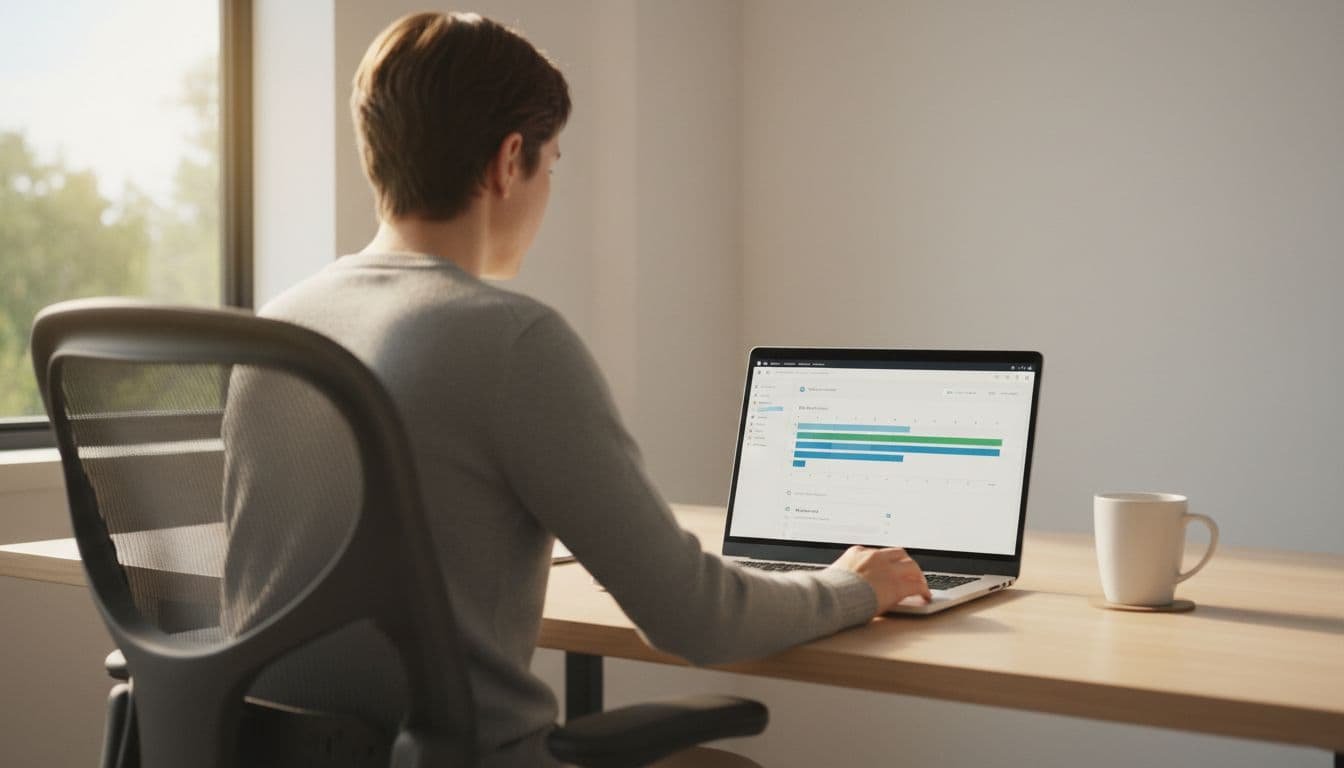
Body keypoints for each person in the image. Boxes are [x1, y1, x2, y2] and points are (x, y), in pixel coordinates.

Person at [222, 10, 930, 766]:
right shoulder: (510, 340)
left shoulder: (281, 326)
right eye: (551, 165)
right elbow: (694, 617)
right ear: (507, 161)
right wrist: (853, 587)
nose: (547, 190)